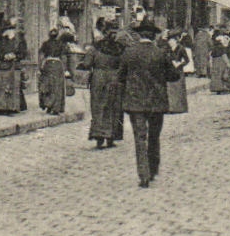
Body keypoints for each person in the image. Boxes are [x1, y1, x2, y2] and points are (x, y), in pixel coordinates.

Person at [118, 20, 179, 188]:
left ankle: (143, 174)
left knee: (139, 137)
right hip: (156, 102)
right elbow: (174, 76)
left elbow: (120, 76)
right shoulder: (160, 54)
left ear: (139, 35)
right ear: (153, 36)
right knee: (154, 136)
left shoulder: (129, 53)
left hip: (135, 102)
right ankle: (153, 169)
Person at [82, 18, 126, 149]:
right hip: (114, 78)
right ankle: (111, 137)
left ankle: (99, 136)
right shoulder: (120, 48)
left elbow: (87, 63)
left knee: (98, 106)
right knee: (114, 107)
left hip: (99, 78)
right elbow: (124, 65)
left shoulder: (95, 47)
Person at [0, 21, 27, 114]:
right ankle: (2, 107)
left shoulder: (20, 41)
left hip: (15, 66)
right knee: (1, 86)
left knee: (14, 86)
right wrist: (4, 56)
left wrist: (15, 56)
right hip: (4, 66)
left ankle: (13, 107)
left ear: (10, 31)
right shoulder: (2, 41)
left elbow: (23, 53)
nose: (4, 33)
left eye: (6, 31)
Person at [38, 26, 70, 115]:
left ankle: (48, 105)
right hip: (57, 66)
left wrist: (40, 67)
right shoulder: (61, 44)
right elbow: (64, 57)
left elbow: (41, 56)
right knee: (57, 86)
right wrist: (66, 69)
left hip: (48, 65)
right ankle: (56, 107)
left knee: (47, 85)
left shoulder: (45, 44)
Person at [163, 31, 191, 115]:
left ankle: (179, 108)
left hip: (178, 70)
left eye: (172, 41)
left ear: (176, 41)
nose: (170, 42)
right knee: (169, 90)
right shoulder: (167, 49)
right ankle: (170, 107)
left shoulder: (181, 48)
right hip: (169, 71)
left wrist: (180, 64)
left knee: (178, 89)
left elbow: (187, 60)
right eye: (169, 41)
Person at [208, 27, 230, 93]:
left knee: (216, 75)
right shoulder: (221, 47)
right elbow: (224, 55)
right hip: (221, 62)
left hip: (215, 61)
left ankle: (215, 88)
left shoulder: (214, 47)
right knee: (222, 74)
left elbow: (211, 55)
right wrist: (228, 63)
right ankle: (222, 88)